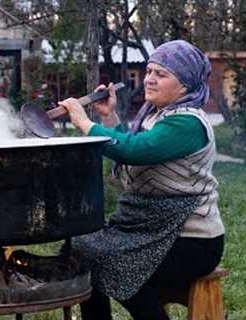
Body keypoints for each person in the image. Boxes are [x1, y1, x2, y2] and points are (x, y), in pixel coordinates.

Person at [59, 40, 225, 320]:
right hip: (152, 230)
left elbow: (135, 151)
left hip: (191, 241)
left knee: (117, 265)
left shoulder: (188, 122)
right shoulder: (158, 115)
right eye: (149, 71)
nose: (149, 79)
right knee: (81, 250)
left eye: (161, 74)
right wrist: (109, 116)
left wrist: (84, 122)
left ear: (184, 85)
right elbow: (134, 145)